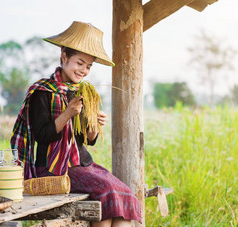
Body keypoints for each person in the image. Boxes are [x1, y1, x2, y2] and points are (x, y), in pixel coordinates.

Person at [10, 21, 141, 226]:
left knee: (125, 193)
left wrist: (94, 125)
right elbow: (42, 136)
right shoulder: (42, 92)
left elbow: (88, 140)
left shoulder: (82, 92)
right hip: (54, 168)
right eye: (79, 63)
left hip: (82, 164)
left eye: (88, 66)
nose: (84, 71)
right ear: (64, 57)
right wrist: (67, 113)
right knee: (108, 191)